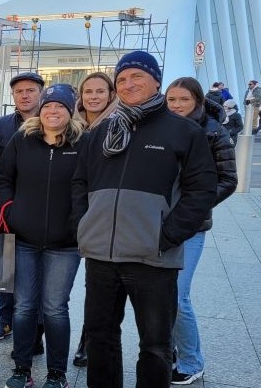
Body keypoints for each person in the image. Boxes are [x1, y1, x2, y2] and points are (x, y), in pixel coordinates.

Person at [71, 51, 217, 388]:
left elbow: (202, 189)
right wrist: (84, 225)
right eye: (121, 79)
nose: (127, 84)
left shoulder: (183, 132)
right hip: (101, 256)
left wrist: (167, 235)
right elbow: (80, 182)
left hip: (153, 256)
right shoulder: (102, 132)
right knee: (100, 337)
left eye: (137, 76)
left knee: (155, 344)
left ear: (156, 82)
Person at [0, 84, 85, 388]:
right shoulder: (23, 141)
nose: (53, 111)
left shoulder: (82, 144)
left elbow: (88, 185)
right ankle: (22, 368)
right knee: (23, 306)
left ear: (70, 111)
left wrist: (79, 223)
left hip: (65, 244)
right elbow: (4, 177)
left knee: (55, 308)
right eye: (48, 106)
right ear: (40, 110)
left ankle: (57, 374)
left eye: (60, 106)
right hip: (24, 239)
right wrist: (9, 210)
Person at [164, 77, 238, 385]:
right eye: (172, 100)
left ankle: (192, 361)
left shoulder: (213, 132)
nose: (177, 105)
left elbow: (228, 180)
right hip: (158, 222)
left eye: (183, 99)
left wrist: (194, 204)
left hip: (191, 225)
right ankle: (167, 351)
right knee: (161, 295)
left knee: (178, 295)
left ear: (197, 100)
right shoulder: (161, 127)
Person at [0, 71, 44, 343]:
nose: (25, 95)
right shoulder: (1, 126)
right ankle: (4, 319)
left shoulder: (54, 122)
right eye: (19, 91)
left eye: (31, 90)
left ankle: (37, 326)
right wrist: (4, 182)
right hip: (6, 207)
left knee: (39, 267)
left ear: (41, 93)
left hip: (43, 208)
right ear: (13, 96)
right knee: (4, 265)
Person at [71, 70, 119, 367]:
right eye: (88, 92)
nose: (93, 97)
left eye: (100, 91)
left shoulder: (119, 124)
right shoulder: (69, 122)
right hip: (70, 207)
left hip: (101, 213)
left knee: (97, 284)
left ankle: (89, 340)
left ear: (111, 95)